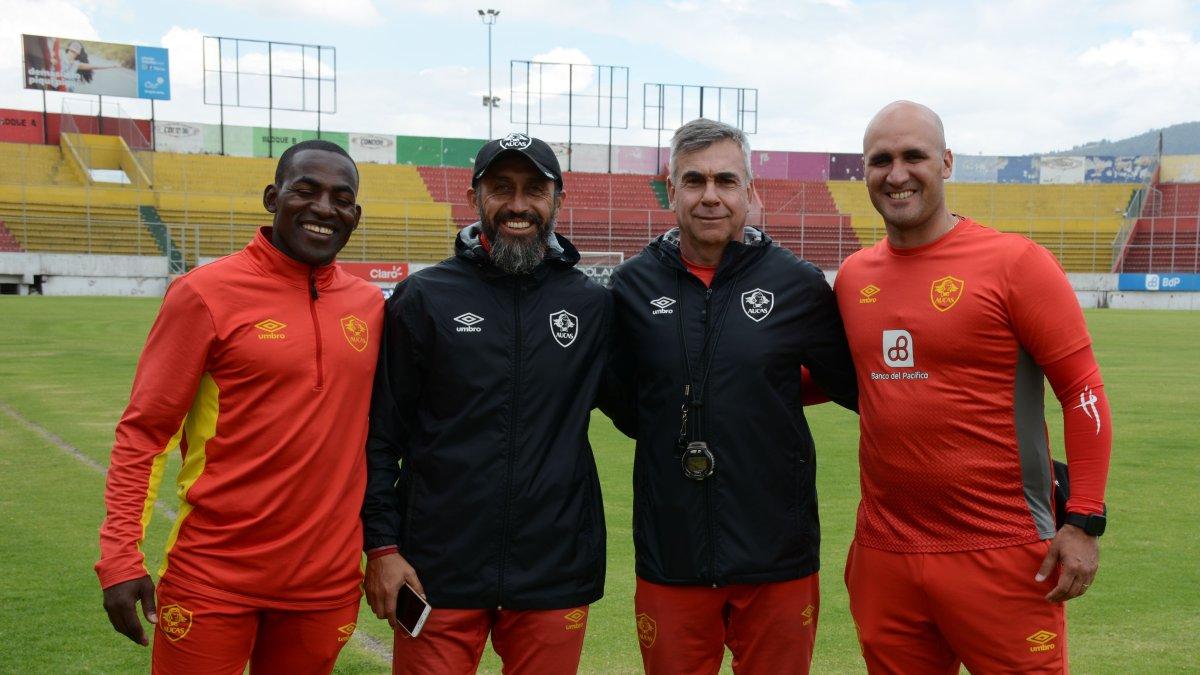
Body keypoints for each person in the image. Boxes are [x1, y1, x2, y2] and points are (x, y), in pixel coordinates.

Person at [835, 100, 1112, 674]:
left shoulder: (1014, 262)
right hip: (886, 555)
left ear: (947, 162)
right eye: (880, 159)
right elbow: (836, 378)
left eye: (914, 156)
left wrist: (1083, 521)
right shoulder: (854, 276)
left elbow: (1082, 391)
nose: (897, 173)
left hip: (1002, 548)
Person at [96, 139, 382, 674]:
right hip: (214, 574)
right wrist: (119, 556)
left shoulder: (370, 306)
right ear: (273, 197)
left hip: (326, 581)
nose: (324, 208)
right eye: (306, 190)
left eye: (341, 199)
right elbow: (145, 433)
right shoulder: (204, 294)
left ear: (356, 216)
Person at [604, 118, 858, 674]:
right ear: (672, 191)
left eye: (725, 180)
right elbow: (624, 400)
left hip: (778, 556)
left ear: (749, 190)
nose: (710, 196)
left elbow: (854, 387)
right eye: (694, 181)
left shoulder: (798, 285)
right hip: (671, 552)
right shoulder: (630, 288)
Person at [362, 132, 612, 674]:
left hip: (554, 567)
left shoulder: (591, 306)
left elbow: (645, 404)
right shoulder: (425, 298)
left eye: (533, 190)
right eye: (501, 188)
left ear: (558, 200)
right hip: (434, 570)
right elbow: (381, 435)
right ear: (475, 196)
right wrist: (382, 546)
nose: (518, 205)